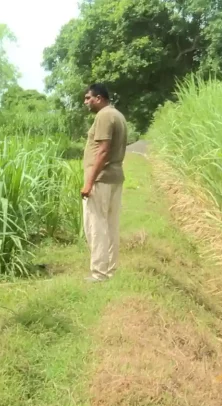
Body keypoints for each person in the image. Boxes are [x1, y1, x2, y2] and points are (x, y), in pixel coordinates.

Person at [80, 83, 127, 283]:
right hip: (114, 177)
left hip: (101, 179)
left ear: (99, 98)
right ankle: (109, 269)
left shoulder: (104, 116)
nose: (86, 102)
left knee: (96, 225)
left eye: (88, 98)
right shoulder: (117, 115)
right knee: (110, 224)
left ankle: (99, 273)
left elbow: (103, 150)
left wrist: (89, 182)